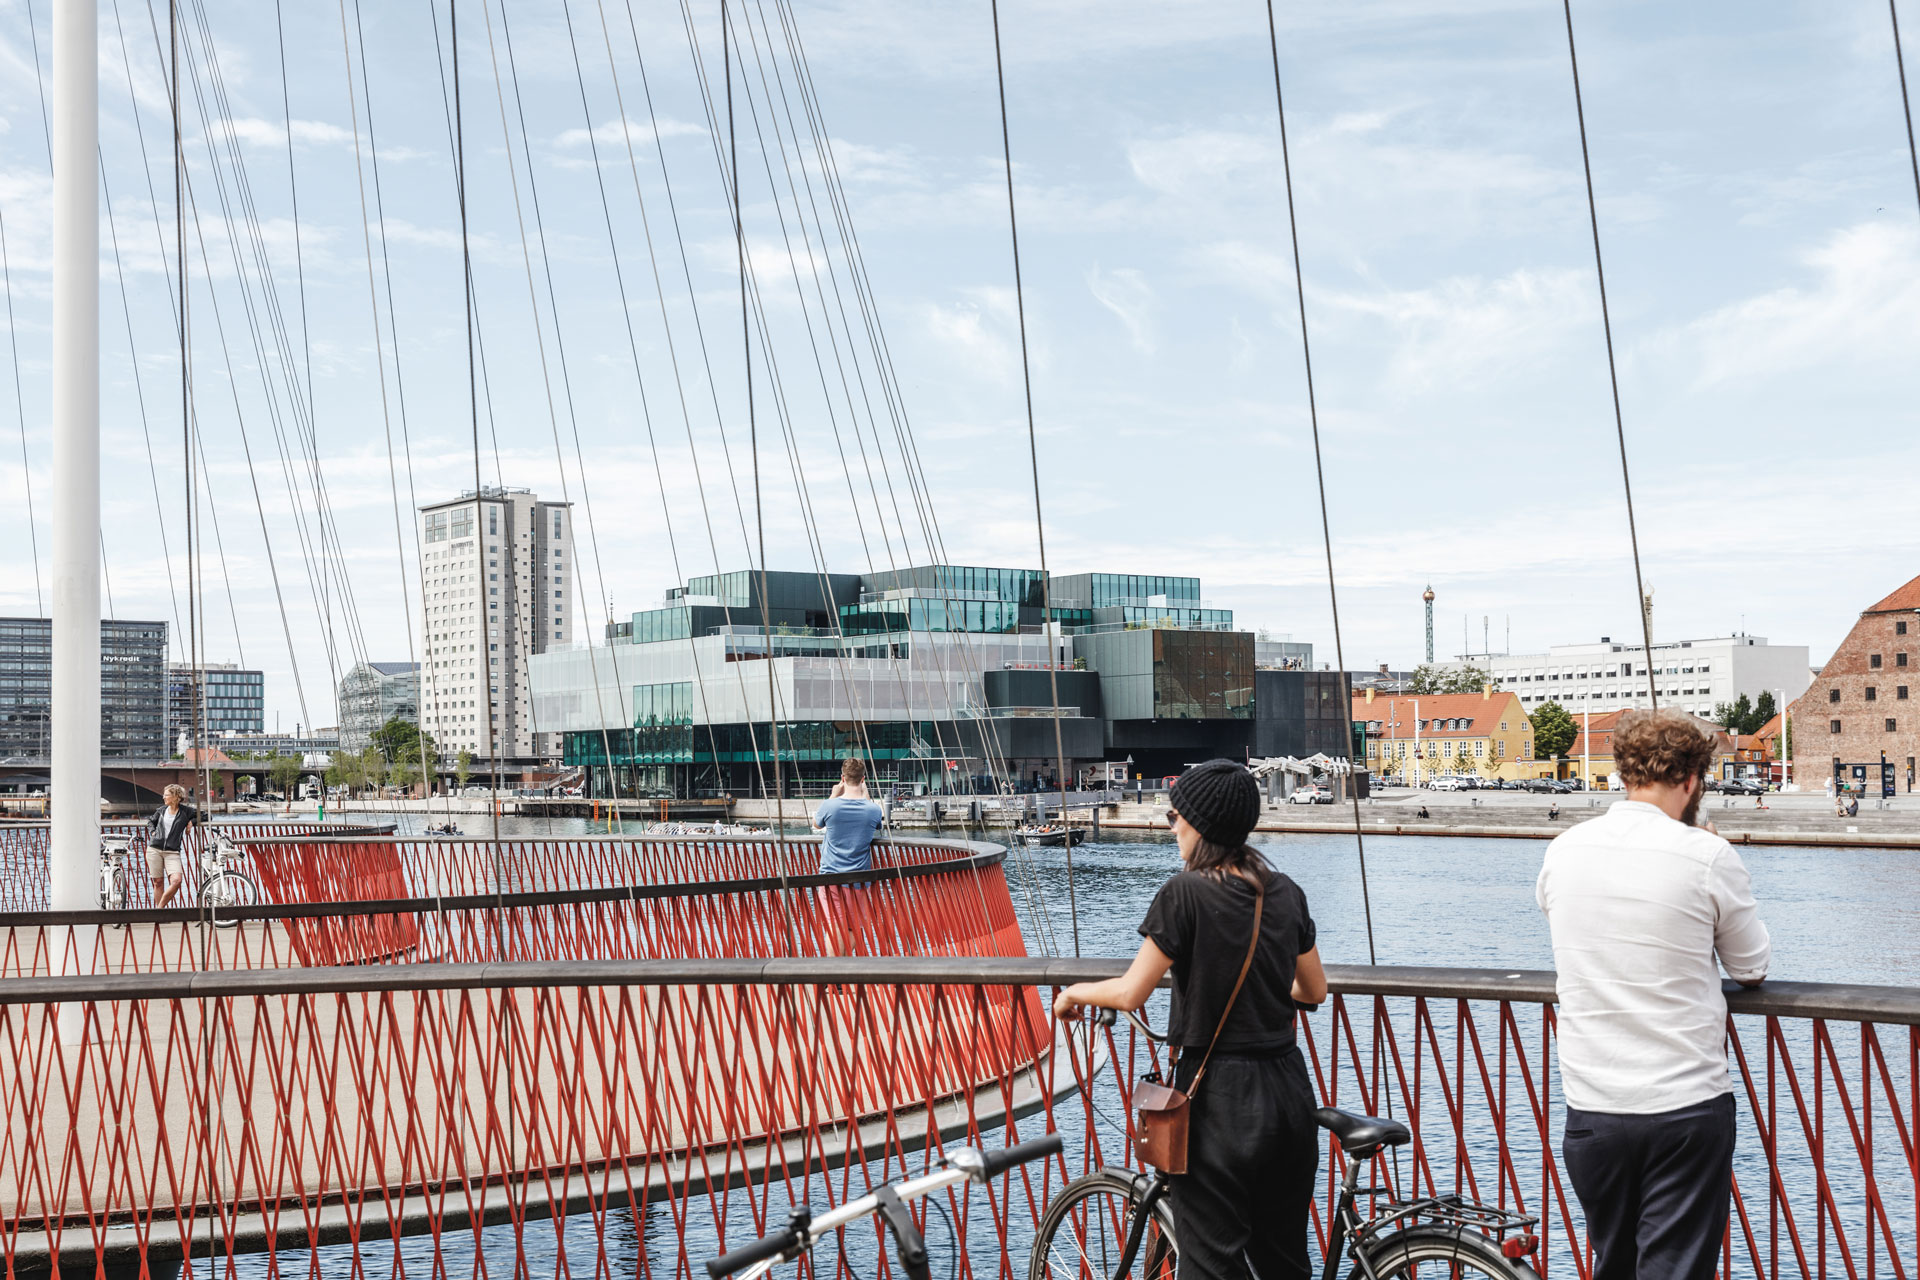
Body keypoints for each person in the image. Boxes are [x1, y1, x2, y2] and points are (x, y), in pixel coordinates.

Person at [1053, 759, 1326, 1280]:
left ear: (1199, 823)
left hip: (1219, 1099)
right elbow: (1313, 989)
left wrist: (1074, 994)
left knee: (1211, 1263)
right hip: (1289, 1094)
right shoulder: (1284, 890)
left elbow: (1133, 991)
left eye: (1176, 816)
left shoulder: (1184, 893)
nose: (1170, 826)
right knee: (1284, 1262)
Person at [1536, 709, 1770, 1280]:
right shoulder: (1707, 855)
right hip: (1683, 1104)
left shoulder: (1565, 849)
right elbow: (1751, 966)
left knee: (1614, 1264)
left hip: (1592, 1105)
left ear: (1623, 774)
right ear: (1692, 780)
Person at [811, 757, 883, 956]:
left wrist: (834, 795)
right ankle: (840, 971)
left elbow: (817, 825)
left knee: (834, 925)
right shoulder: (873, 810)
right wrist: (867, 797)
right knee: (853, 927)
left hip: (830, 876)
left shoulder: (830, 805)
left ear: (842, 778)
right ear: (863, 779)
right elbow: (878, 825)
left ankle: (833, 974)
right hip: (859, 879)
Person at [146, 783, 200, 908]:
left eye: (166, 795)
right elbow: (150, 822)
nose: (163, 797)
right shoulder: (161, 810)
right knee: (158, 882)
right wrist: (153, 832)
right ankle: (161, 915)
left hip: (172, 851)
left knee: (176, 881)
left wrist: (192, 822)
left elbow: (205, 815)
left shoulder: (186, 811)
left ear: (176, 797)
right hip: (154, 849)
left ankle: (159, 909)